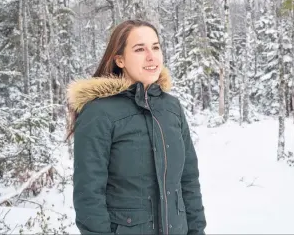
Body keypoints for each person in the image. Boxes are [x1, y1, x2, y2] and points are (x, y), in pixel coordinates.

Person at [66, 19, 206, 235]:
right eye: (140, 49)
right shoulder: (99, 113)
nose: (151, 56)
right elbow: (89, 195)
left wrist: (197, 231)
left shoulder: (171, 108)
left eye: (156, 47)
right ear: (120, 59)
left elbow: (188, 181)